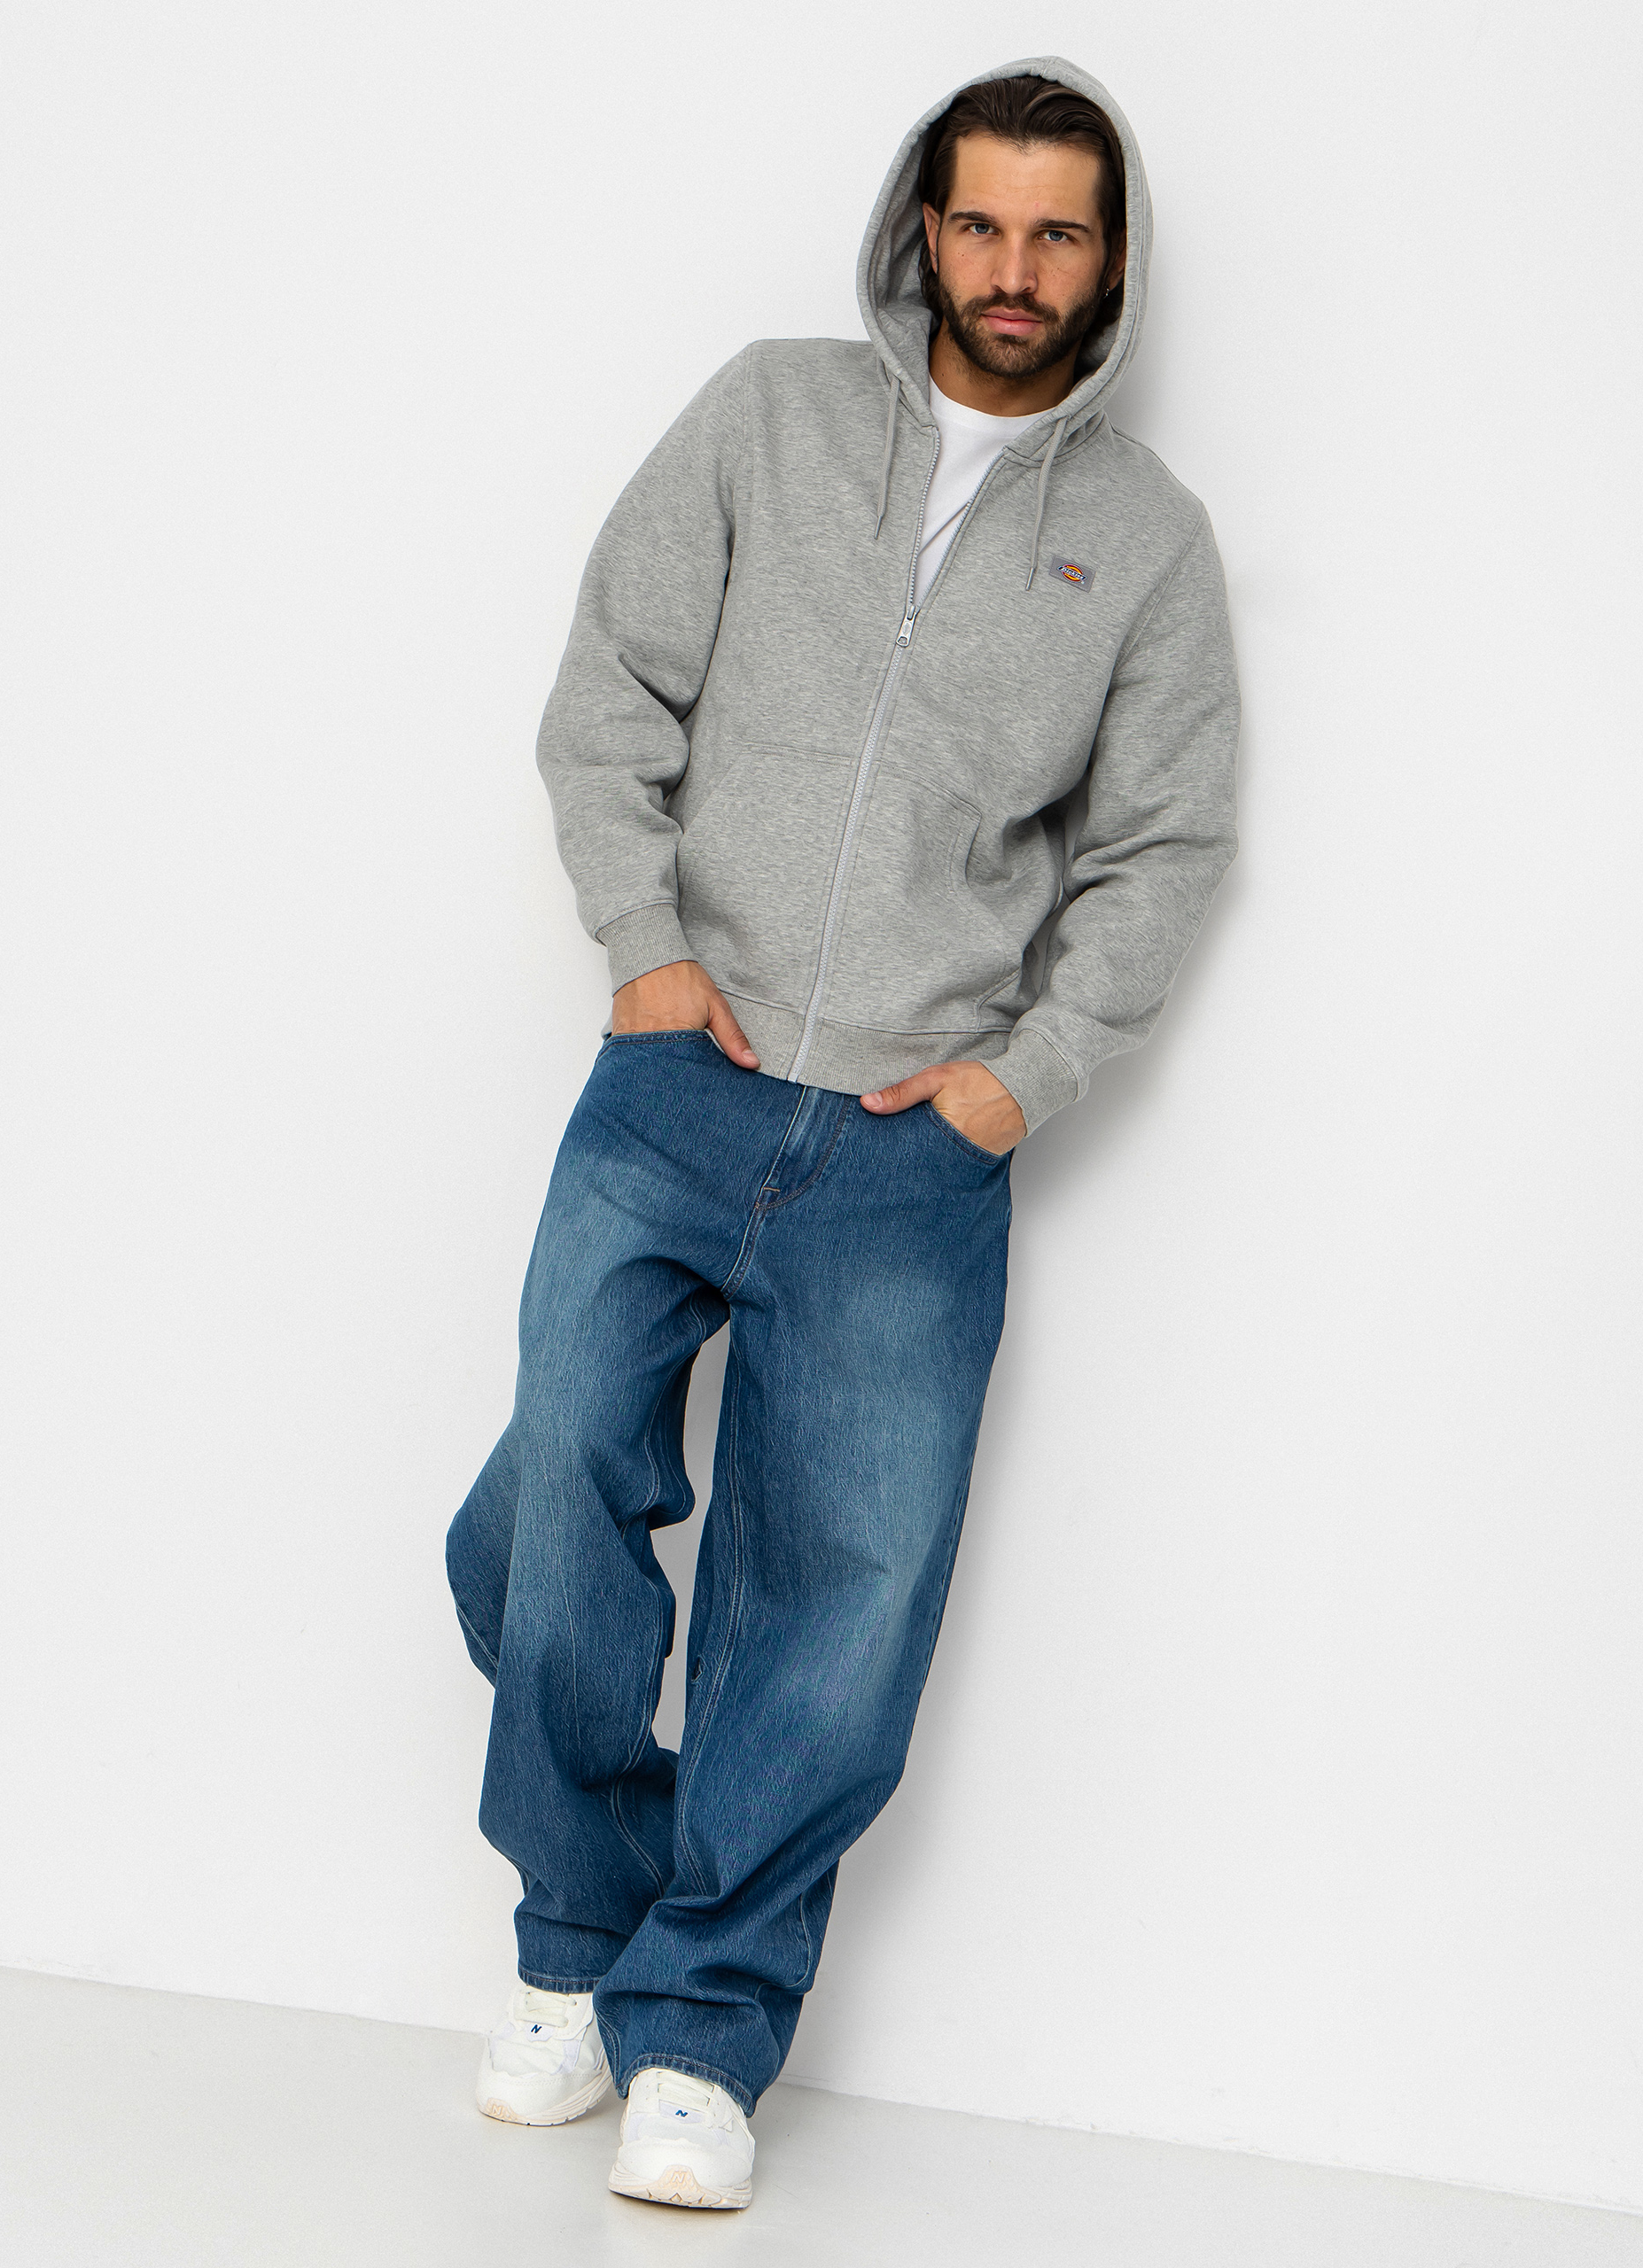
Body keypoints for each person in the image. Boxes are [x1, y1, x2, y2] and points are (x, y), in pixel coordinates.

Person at [445, 56, 1239, 2210]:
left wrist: (1016, 1078)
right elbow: (609, 691)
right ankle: (580, 1935)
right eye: (983, 222)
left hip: (910, 1142)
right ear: (923, 225)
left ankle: (701, 2026)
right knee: (543, 1512)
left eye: (1059, 232)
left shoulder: (1146, 540)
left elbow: (1162, 847)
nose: (1015, 268)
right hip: (676, 1075)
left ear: (1111, 261)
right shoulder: (768, 413)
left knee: (841, 1601)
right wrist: (642, 947)